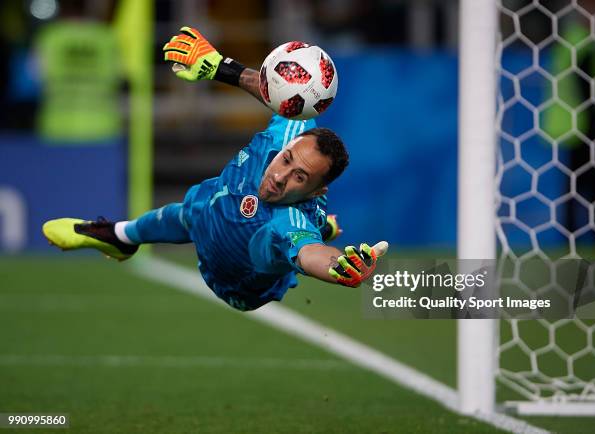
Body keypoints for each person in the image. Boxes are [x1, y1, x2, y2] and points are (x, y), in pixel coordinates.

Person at [43, 26, 388, 312]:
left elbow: (313, 256)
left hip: (238, 282)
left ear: (316, 191)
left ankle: (317, 226)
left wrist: (339, 268)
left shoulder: (288, 224)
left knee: (274, 231)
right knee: (203, 204)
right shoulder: (288, 130)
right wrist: (222, 68)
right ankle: (119, 237)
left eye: (300, 177)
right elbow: (275, 93)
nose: (280, 175)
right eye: (286, 160)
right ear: (286, 147)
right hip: (213, 211)